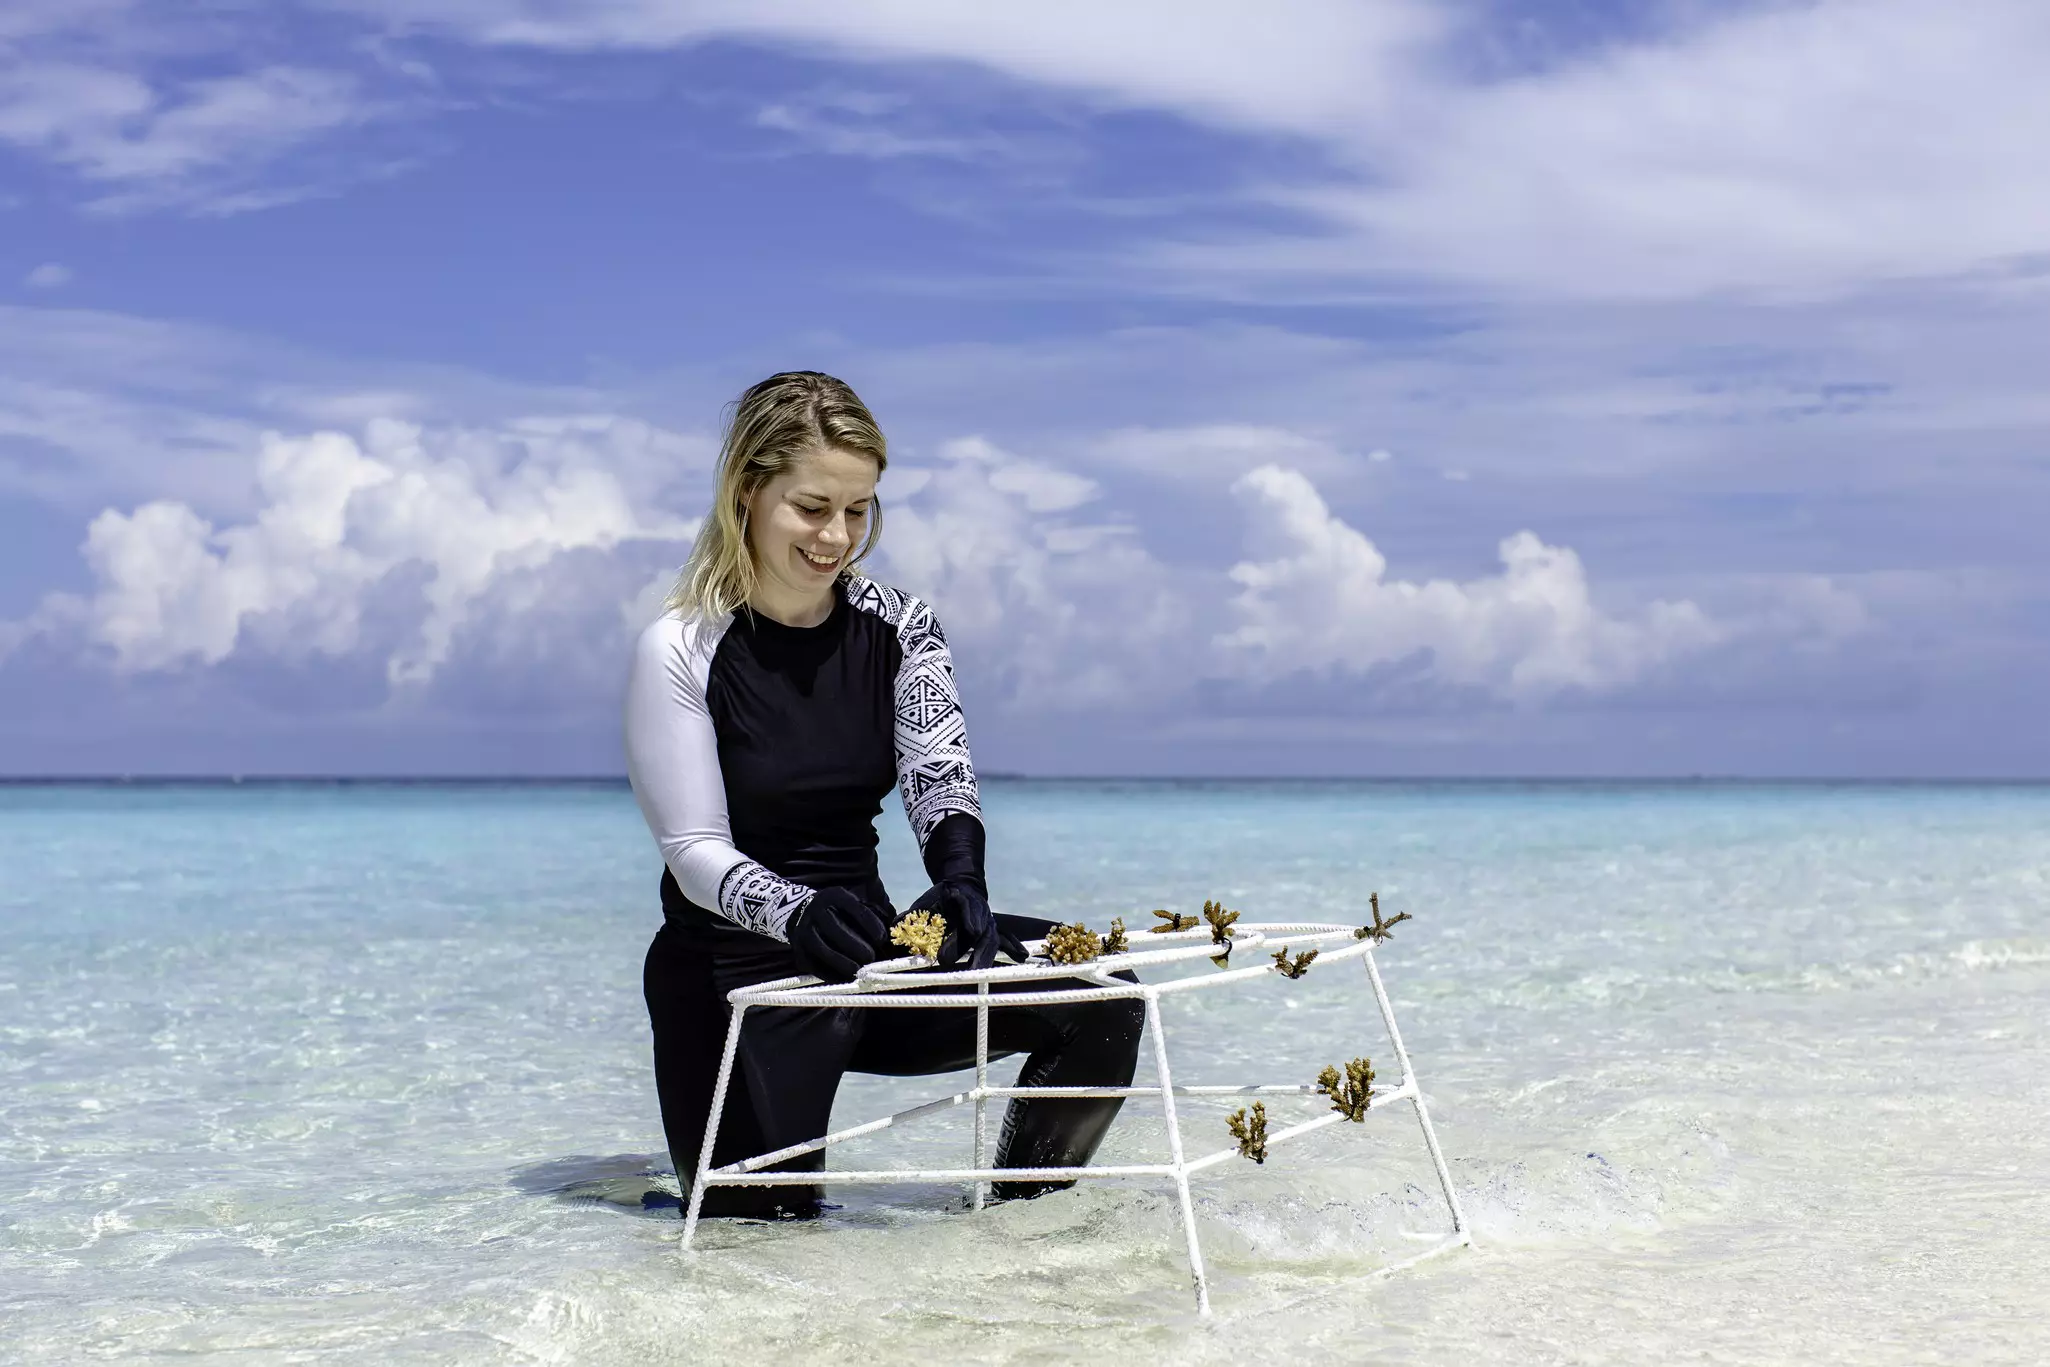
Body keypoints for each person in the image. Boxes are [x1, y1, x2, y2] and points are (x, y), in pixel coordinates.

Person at [624, 371, 1144, 1219]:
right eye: (812, 505)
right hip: (734, 981)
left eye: (858, 509)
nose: (838, 536)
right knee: (763, 1245)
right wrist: (795, 912)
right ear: (748, 492)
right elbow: (692, 851)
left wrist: (961, 877)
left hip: (871, 952)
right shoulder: (681, 646)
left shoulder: (902, 624)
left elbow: (938, 775)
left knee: (1100, 996)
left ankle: (1018, 1230)